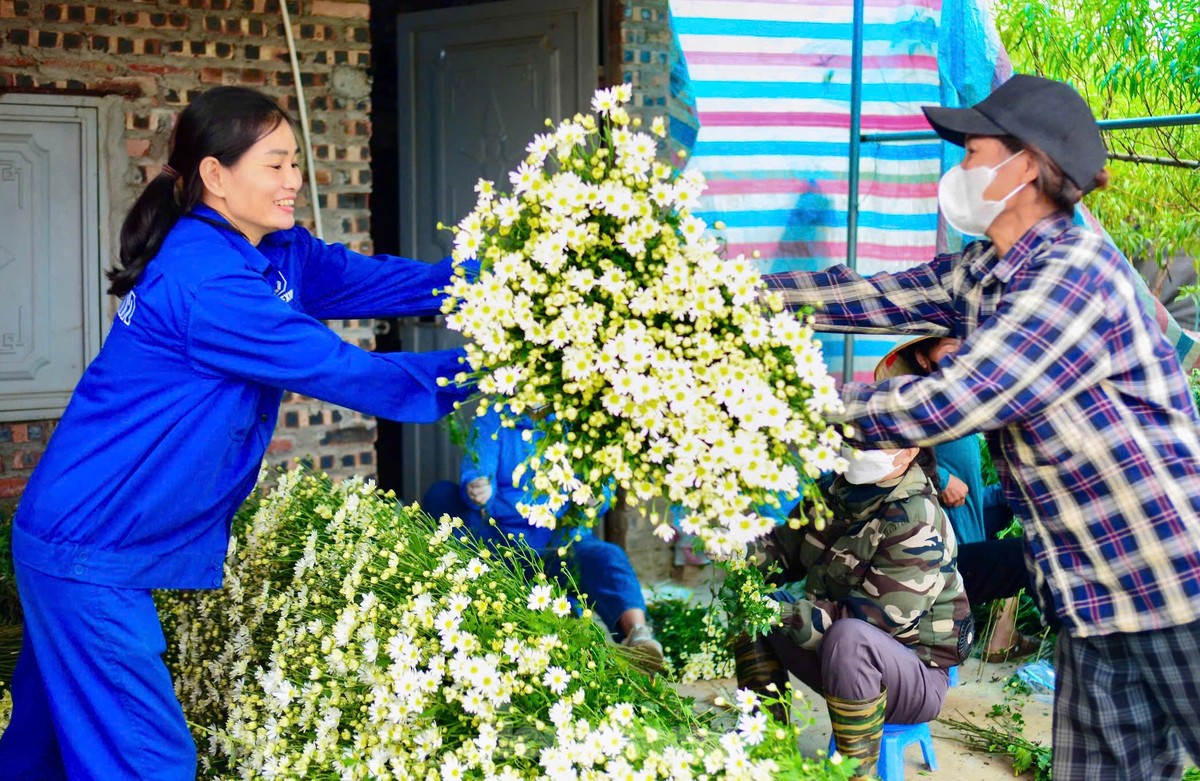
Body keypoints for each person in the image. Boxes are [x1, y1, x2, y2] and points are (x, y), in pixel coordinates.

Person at [0, 86, 474, 780]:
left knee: (38, 753)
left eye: (295, 163)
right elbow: (345, 370)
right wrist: (492, 367)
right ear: (216, 176)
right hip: (87, 548)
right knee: (147, 759)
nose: (294, 180)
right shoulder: (209, 283)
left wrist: (516, 285)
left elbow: (391, 284)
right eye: (275, 165)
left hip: (76, 534)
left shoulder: (278, 253)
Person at [764, 74, 1200, 779]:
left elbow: (955, 398)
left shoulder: (1075, 276)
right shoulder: (984, 273)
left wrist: (790, 400)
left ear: (1024, 165)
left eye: (972, 154)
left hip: (1176, 590)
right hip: (1090, 606)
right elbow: (869, 295)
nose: (960, 170)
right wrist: (720, 298)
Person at [736, 444, 973, 781]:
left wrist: (787, 614)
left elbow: (874, 622)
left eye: (877, 443)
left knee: (848, 638)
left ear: (909, 452)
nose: (861, 448)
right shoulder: (834, 491)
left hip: (913, 677)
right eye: (858, 437)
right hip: (838, 658)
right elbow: (782, 550)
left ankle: (855, 775)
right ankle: (766, 747)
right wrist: (735, 550)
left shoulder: (916, 519)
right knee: (753, 611)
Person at [454, 404, 665, 669]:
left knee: (608, 556)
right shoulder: (494, 417)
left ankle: (639, 638)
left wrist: (594, 499)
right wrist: (478, 488)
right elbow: (478, 469)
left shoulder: (576, 419)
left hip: (565, 538)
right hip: (507, 540)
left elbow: (603, 488)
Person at [878, 336, 1041, 663]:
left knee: (1021, 516)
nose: (963, 354)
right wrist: (939, 480)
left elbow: (973, 497)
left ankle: (1002, 637)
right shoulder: (915, 405)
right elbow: (883, 458)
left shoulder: (957, 409)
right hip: (938, 562)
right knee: (1037, 556)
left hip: (963, 533)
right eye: (950, 347)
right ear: (924, 360)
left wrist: (1017, 493)